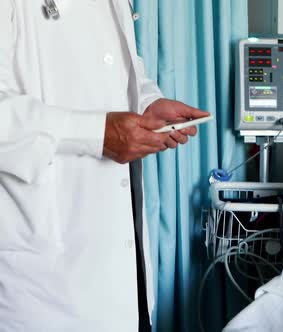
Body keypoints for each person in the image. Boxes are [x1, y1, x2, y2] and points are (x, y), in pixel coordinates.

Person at [0, 1, 208, 331]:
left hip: (122, 269)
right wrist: (97, 133)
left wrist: (148, 104)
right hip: (43, 291)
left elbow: (123, 73)